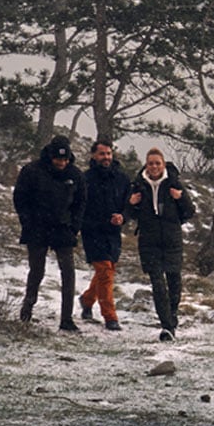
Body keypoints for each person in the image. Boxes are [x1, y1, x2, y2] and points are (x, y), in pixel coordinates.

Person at [13, 135, 86, 332]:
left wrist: (74, 226)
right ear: (50, 156)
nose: (61, 163)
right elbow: (20, 198)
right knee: (37, 270)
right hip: (37, 227)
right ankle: (27, 308)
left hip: (63, 228)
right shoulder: (32, 171)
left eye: (65, 159)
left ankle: (67, 319)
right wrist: (27, 221)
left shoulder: (76, 175)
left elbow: (81, 203)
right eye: (58, 159)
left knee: (68, 272)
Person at [127, 147, 195, 341]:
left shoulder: (174, 183)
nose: (154, 167)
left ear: (163, 165)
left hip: (172, 240)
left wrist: (180, 198)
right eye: (151, 163)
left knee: (174, 282)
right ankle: (166, 326)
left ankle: (172, 317)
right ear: (146, 165)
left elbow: (190, 212)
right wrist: (131, 203)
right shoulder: (138, 185)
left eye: (157, 163)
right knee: (158, 284)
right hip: (149, 242)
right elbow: (130, 214)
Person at [78, 139, 132, 331]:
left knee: (106, 271)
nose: (106, 157)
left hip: (113, 233)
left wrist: (123, 217)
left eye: (108, 153)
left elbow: (129, 205)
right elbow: (78, 206)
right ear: (93, 156)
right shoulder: (85, 179)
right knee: (105, 273)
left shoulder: (122, 179)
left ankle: (87, 299)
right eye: (102, 154)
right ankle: (110, 317)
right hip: (91, 231)